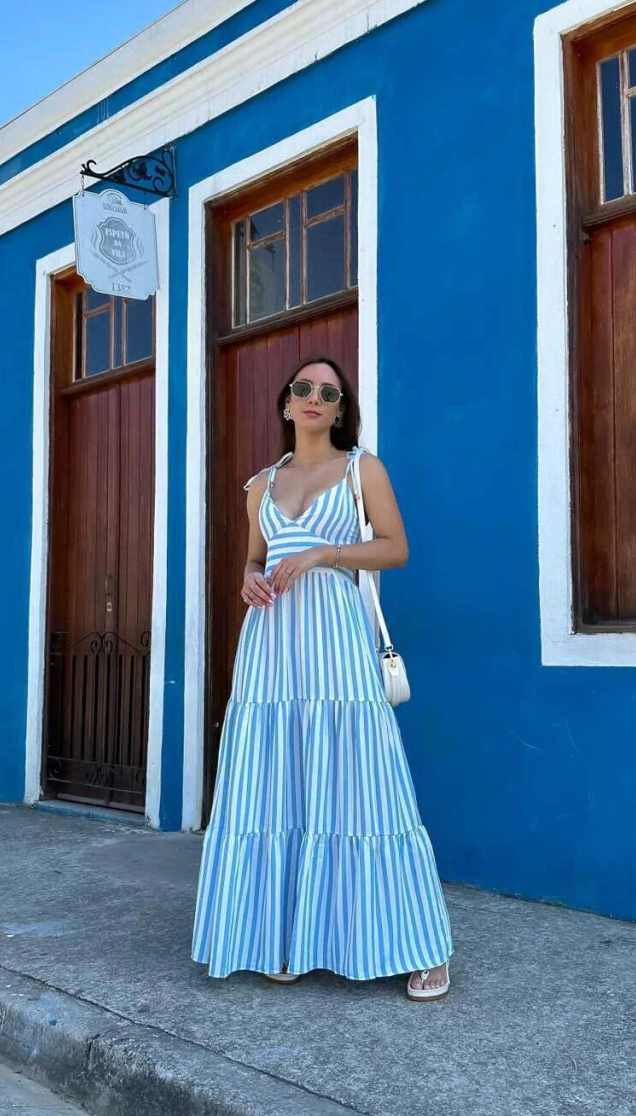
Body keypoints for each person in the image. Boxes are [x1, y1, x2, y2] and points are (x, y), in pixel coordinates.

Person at [190, 353, 453, 1001]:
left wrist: (324, 553)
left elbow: (395, 548)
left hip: (336, 644)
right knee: (276, 784)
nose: (314, 397)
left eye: (328, 392)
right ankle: (289, 936)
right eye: (303, 387)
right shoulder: (259, 486)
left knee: (366, 785)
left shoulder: (363, 469)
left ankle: (422, 945)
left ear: (339, 411)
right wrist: (249, 580)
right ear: (287, 402)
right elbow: (254, 561)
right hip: (271, 649)